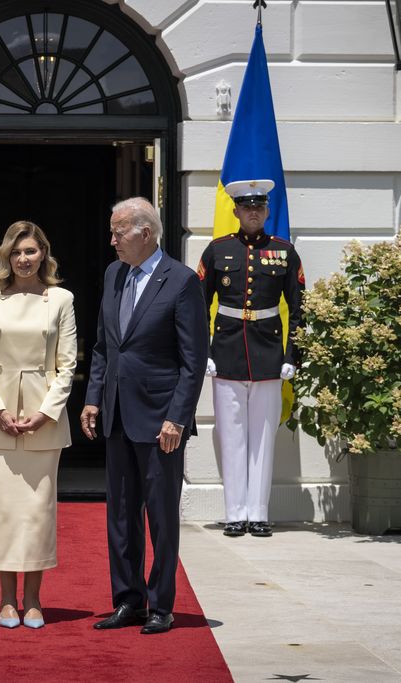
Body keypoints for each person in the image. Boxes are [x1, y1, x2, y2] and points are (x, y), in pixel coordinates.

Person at [81, 197, 208, 635]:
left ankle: (162, 605)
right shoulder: (114, 274)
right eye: (112, 230)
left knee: (160, 516)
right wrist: (93, 397)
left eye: (119, 231)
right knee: (119, 515)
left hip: (160, 423)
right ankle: (127, 600)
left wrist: (177, 418)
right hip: (117, 414)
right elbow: (104, 345)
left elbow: (193, 361)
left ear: (146, 233)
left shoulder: (182, 281)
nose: (111, 239)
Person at [0, 221, 77, 630]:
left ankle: (33, 599)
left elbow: (67, 365)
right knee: (4, 512)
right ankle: (6, 600)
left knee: (36, 512)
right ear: (6, 256)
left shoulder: (61, 299)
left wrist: (46, 412)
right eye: (16, 252)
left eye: (31, 251)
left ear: (44, 254)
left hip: (43, 419)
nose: (24, 259)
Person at [197, 179, 305, 538]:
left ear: (268, 211)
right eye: (247, 207)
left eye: (259, 207)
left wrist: (293, 355)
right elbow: (197, 307)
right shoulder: (217, 251)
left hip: (269, 354)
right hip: (226, 352)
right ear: (236, 211)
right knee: (231, 435)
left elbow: (299, 308)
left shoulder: (284, 251)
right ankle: (234, 514)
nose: (253, 213)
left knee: (262, 437)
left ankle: (258, 512)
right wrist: (205, 351)